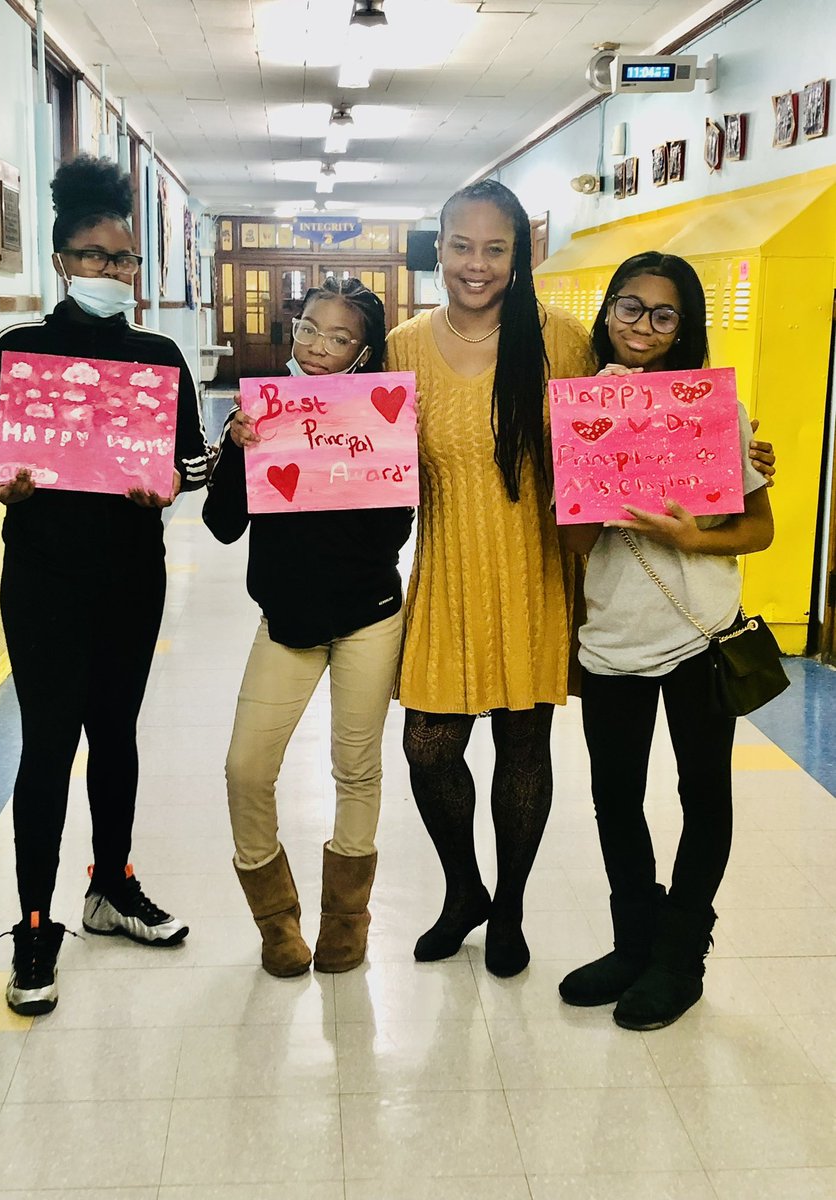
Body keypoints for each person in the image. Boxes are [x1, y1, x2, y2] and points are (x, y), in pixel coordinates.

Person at [0, 155, 210, 1016]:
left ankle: (112, 885)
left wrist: (170, 483)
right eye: (96, 258)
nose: (113, 273)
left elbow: (195, 462)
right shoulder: (20, 350)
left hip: (132, 577)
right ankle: (34, 923)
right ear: (62, 260)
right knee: (50, 744)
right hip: (45, 579)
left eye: (126, 260)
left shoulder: (157, 356)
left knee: (118, 737)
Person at [557, 251, 774, 1029]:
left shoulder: (716, 410)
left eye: (663, 313)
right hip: (614, 637)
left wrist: (691, 536)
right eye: (628, 306)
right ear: (606, 311)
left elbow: (759, 529)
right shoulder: (579, 407)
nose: (642, 325)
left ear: (685, 327)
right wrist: (594, 497)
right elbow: (576, 551)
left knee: (701, 796)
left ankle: (681, 956)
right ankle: (634, 941)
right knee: (614, 797)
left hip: (701, 635)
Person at [384, 179, 595, 978]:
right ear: (437, 248)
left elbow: (622, 443)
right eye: (462, 246)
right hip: (443, 574)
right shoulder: (403, 346)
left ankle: (508, 910)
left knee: (522, 745)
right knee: (428, 748)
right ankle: (464, 889)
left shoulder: (562, 340)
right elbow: (362, 460)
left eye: (495, 248)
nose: (477, 265)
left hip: (533, 573)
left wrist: (727, 460)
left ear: (522, 253)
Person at [203, 277, 413, 978]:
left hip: (368, 618)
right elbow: (223, 527)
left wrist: (342, 467)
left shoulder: (385, 419)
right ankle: (275, 918)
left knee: (356, 768)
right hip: (286, 621)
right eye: (310, 330)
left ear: (364, 351)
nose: (320, 347)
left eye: (340, 337)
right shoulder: (258, 408)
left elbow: (394, 530)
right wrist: (240, 450)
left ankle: (347, 921)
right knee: (244, 769)